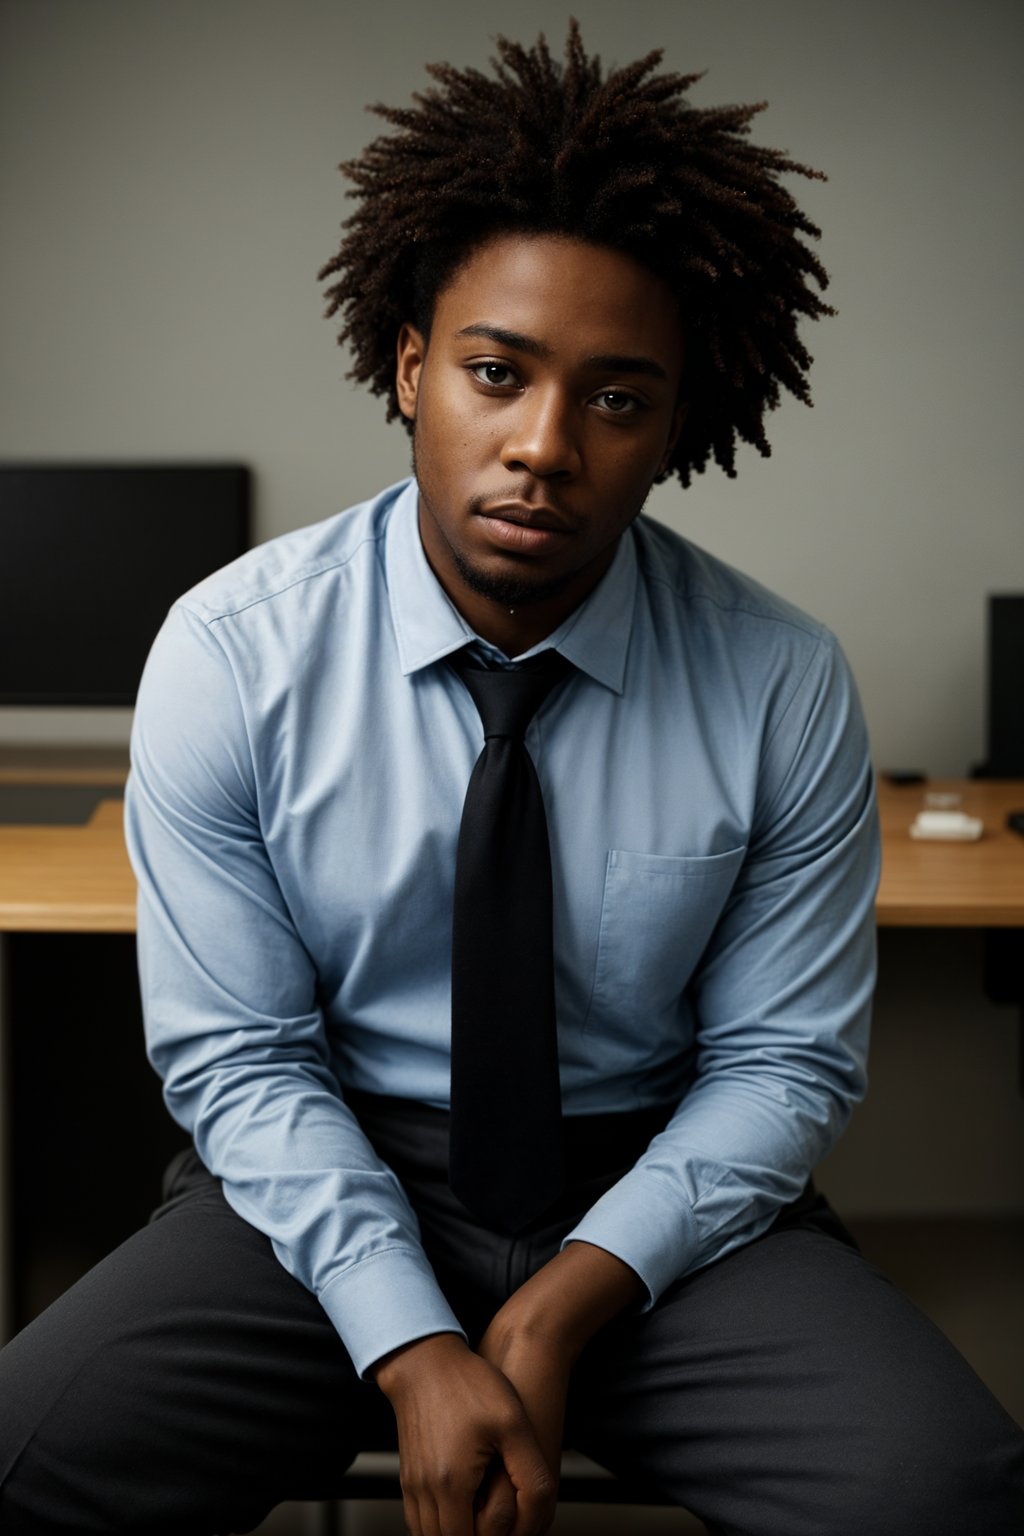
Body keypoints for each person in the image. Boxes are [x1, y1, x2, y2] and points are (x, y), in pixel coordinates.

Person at [1, 24, 1022, 1536]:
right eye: (496, 373)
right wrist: (413, 1342)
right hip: (331, 1168)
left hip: (659, 1189)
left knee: (949, 1493)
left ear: (678, 428)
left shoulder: (778, 677)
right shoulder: (232, 653)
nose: (543, 446)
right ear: (413, 369)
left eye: (617, 399)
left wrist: (554, 1314)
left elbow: (779, 1069)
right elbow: (245, 1063)